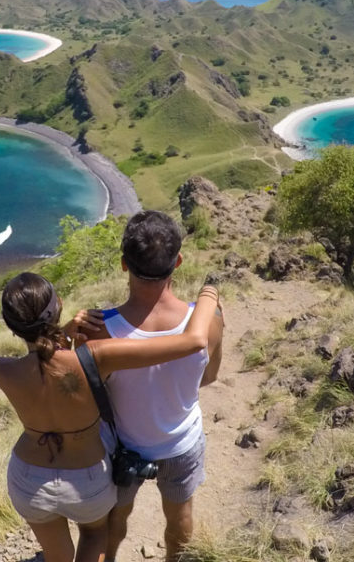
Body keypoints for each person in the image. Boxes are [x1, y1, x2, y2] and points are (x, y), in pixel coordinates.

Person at [0, 271, 221, 562]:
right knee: (93, 535)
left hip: (27, 478)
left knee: (56, 557)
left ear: (12, 326)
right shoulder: (96, 356)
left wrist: (62, 332)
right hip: (85, 478)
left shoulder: (0, 369)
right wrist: (210, 292)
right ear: (59, 302)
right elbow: (193, 340)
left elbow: (43, 360)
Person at [69, 210, 224, 562]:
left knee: (115, 518)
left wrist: (69, 332)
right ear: (178, 262)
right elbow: (211, 377)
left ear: (124, 264)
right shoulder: (208, 320)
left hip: (126, 447)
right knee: (180, 516)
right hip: (182, 442)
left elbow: (81, 390)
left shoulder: (97, 327)